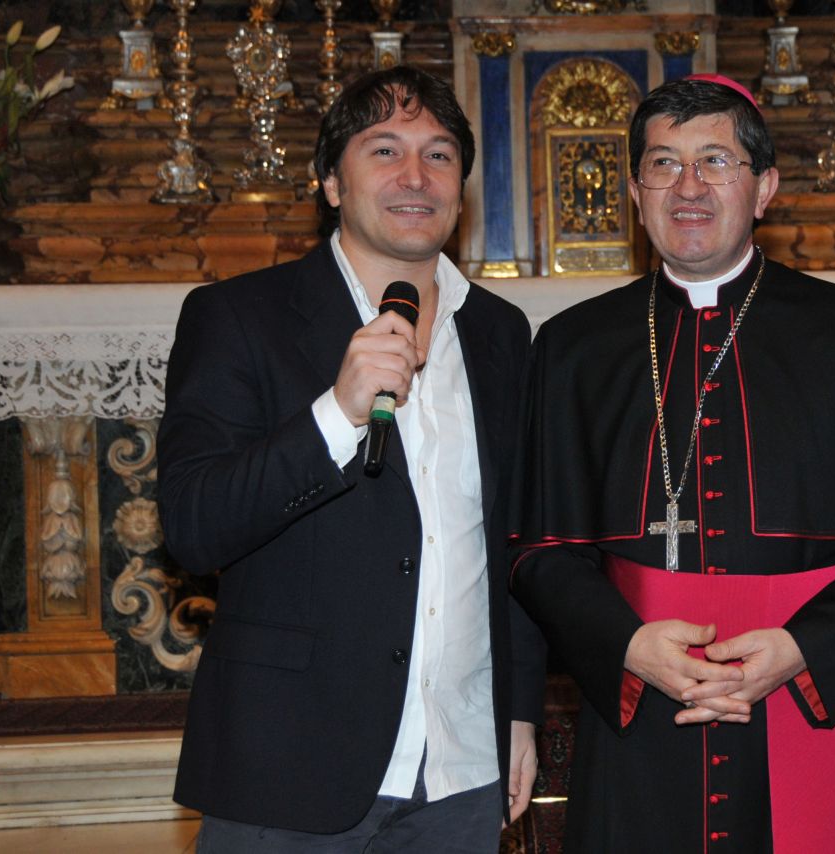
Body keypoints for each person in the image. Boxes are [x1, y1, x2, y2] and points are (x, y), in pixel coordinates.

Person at [509, 75, 835, 853]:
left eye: (716, 162)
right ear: (635, 192)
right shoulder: (574, 348)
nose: (688, 187)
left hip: (805, 695)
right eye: (663, 164)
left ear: (763, 189)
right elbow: (537, 551)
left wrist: (803, 648)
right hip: (642, 703)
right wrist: (627, 646)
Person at [158, 66, 545, 852]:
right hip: (290, 766)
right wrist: (336, 412)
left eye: (439, 155)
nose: (416, 176)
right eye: (385, 151)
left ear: (461, 190)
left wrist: (519, 712)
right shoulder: (239, 317)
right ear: (332, 183)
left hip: (461, 770)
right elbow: (196, 527)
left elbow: (514, 541)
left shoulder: (500, 332)